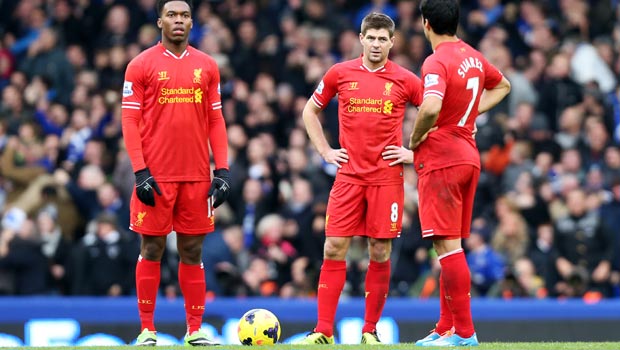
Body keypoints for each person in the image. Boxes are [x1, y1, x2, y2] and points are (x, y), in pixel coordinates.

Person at [297, 12, 423, 344]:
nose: (377, 44)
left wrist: (414, 154)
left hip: (386, 179)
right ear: (362, 38)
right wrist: (325, 151)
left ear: (392, 42)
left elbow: (436, 114)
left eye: (384, 39)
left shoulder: (406, 80)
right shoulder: (340, 73)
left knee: (379, 251)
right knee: (333, 246)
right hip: (349, 177)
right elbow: (310, 111)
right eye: (372, 37)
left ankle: (370, 330)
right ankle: (323, 330)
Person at [120, 0, 230, 346]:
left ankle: (194, 330)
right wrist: (140, 172)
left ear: (192, 22)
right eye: (172, 15)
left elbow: (216, 119)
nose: (178, 21)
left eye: (184, 15)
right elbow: (129, 120)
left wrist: (222, 169)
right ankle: (147, 329)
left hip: (197, 176)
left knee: (192, 251)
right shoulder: (140, 66)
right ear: (159, 22)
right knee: (151, 248)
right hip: (155, 175)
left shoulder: (207, 66)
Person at [409, 0, 511, 346]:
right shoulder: (472, 55)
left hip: (443, 159)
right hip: (468, 156)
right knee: (449, 244)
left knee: (448, 247)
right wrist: (468, 116)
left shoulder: (436, 61)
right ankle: (445, 327)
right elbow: (503, 86)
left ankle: (465, 334)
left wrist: (415, 136)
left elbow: (433, 105)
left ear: (426, 24)